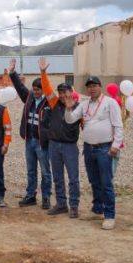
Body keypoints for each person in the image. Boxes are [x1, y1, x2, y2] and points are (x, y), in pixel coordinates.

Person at [64, 76, 124, 230]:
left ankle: (109, 215)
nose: (92, 89)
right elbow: (70, 120)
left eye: (95, 85)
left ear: (100, 86)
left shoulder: (110, 103)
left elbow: (118, 125)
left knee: (106, 182)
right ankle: (98, 208)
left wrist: (115, 145)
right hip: (88, 148)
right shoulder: (84, 105)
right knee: (94, 180)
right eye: (89, 86)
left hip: (105, 148)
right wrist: (68, 107)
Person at [38, 58, 81, 218]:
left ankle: (74, 206)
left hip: (70, 147)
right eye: (61, 92)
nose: (63, 95)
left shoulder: (78, 107)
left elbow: (87, 124)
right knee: (57, 177)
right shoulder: (54, 102)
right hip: (54, 145)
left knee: (73, 178)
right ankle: (62, 204)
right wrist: (43, 73)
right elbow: (46, 88)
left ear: (71, 92)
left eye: (65, 92)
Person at [8, 58, 52, 210]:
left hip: (42, 143)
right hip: (29, 141)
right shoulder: (29, 97)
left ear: (44, 90)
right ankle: (31, 196)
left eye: (38, 89)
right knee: (31, 170)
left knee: (46, 172)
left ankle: (46, 197)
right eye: (34, 88)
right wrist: (12, 72)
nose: (35, 91)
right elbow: (20, 87)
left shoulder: (50, 103)